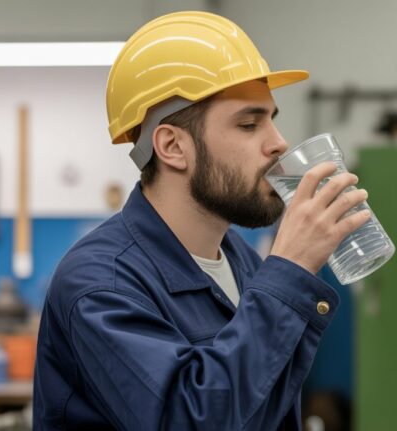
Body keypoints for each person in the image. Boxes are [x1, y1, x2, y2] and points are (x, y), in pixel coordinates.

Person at [33, 10, 370, 430]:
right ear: (173, 147)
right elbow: (187, 420)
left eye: (272, 119)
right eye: (249, 124)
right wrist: (290, 272)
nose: (279, 143)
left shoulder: (243, 263)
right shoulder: (101, 283)